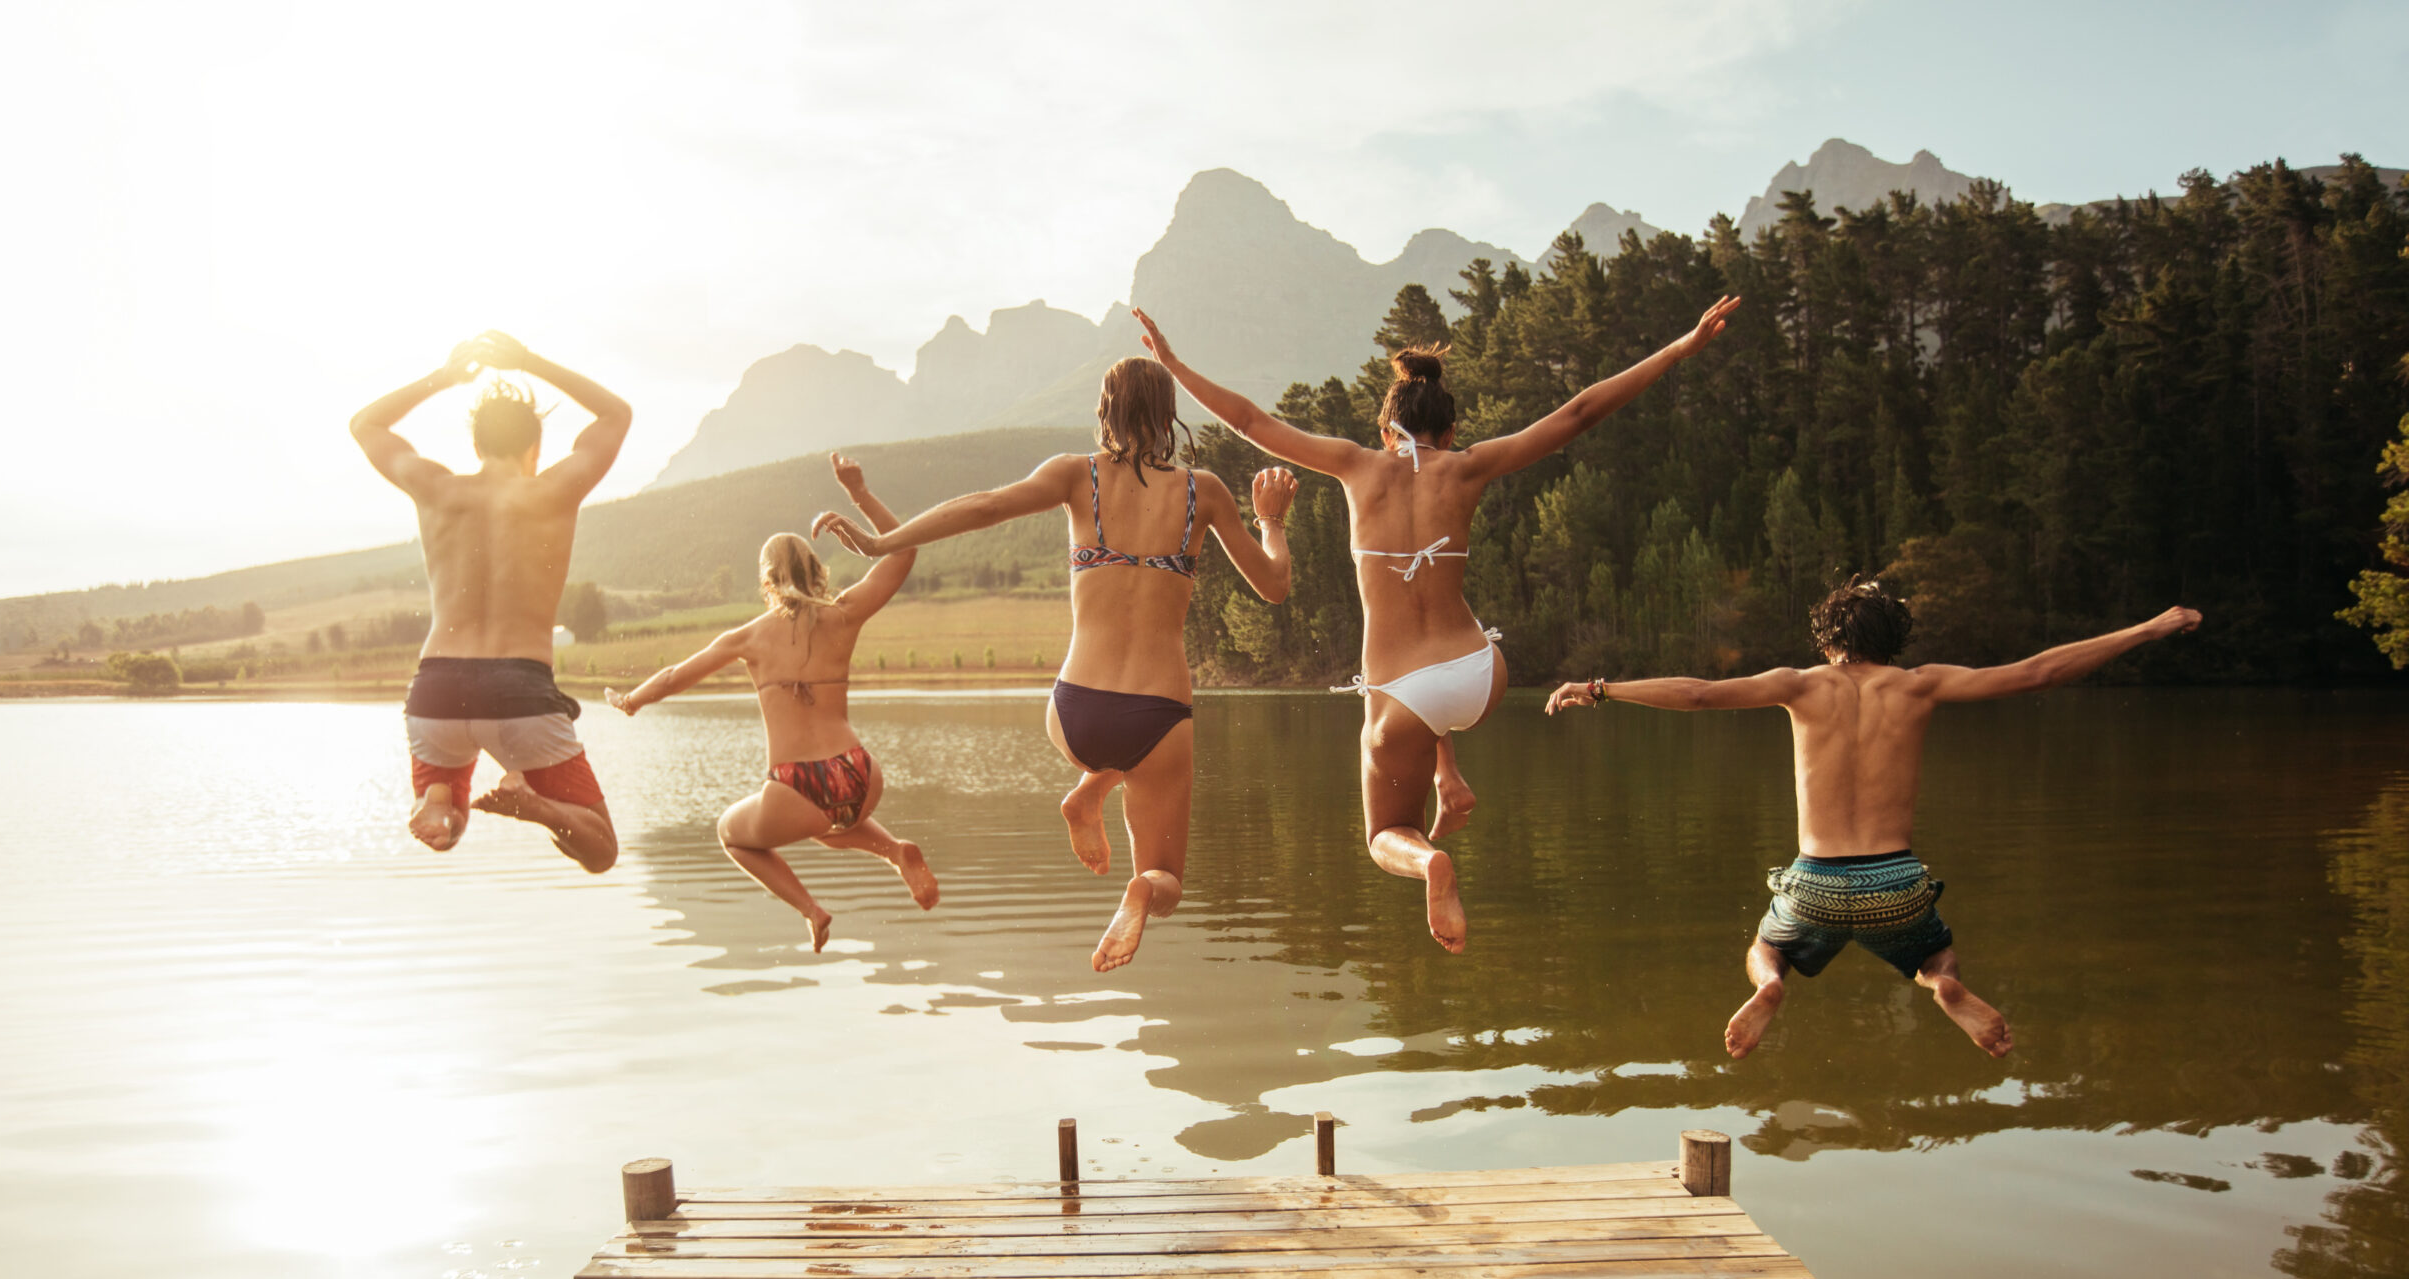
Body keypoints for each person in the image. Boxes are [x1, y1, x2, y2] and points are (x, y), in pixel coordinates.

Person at [1136, 298, 1739, 953]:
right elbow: (1579, 412)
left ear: (1387, 431)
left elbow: (1249, 419)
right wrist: (1679, 347)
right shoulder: (1469, 466)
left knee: (1382, 832)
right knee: (1430, 665)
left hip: (1406, 694)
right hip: (1482, 674)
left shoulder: (1354, 465)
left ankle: (1430, 862)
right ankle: (1447, 776)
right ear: (1449, 433)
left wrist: (1172, 364)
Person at [1547, 582, 2205, 1059]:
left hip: (1817, 883)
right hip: (1896, 881)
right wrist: (2148, 628)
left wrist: (1601, 689)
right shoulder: (1920, 684)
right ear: (1895, 641)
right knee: (1935, 950)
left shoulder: (1798, 685)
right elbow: (2037, 673)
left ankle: (1772, 985)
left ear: (1828, 640)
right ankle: (1945, 984)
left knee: (1768, 947)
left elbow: (1697, 693)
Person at [809, 361, 1296, 972]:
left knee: (1107, 753)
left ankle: (1091, 786)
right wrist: (1272, 520)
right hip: (1161, 714)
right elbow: (1275, 586)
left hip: (1075, 711)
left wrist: (883, 543)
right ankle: (1136, 882)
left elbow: (985, 506)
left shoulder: (1078, 475)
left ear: (1105, 410)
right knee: (1165, 875)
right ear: (1167, 411)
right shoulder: (1206, 491)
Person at [611, 455, 940, 951]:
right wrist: (860, 493)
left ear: (766, 581)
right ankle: (894, 850)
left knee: (732, 833)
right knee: (827, 825)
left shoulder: (747, 637)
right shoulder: (844, 614)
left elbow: (676, 676)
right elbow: (904, 551)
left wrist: (632, 700)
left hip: (796, 785)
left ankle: (813, 909)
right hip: (859, 772)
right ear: (817, 572)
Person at [349, 330, 631, 872]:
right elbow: (615, 415)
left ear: (476, 446)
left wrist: (444, 377)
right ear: (536, 448)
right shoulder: (554, 489)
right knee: (600, 851)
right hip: (517, 690)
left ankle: (438, 806)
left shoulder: (436, 488)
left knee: (449, 820)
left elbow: (366, 425)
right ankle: (537, 807)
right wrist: (529, 362)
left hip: (435, 690)